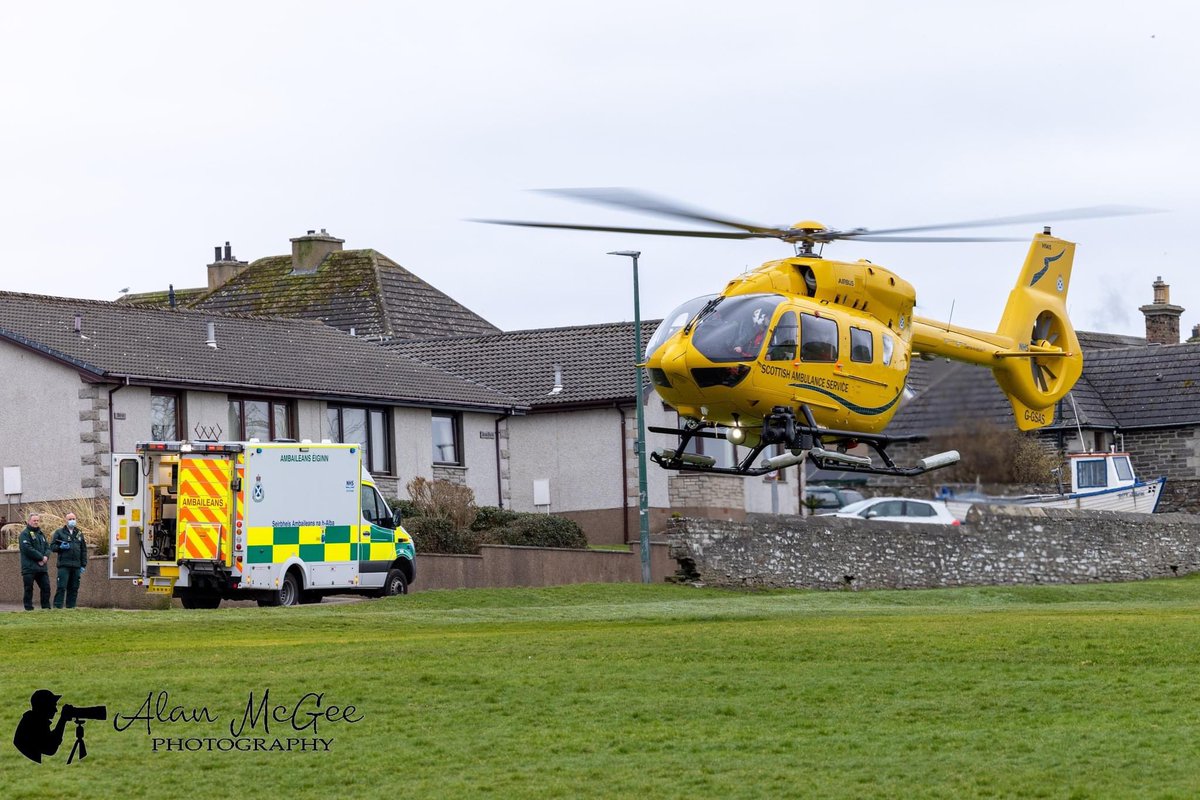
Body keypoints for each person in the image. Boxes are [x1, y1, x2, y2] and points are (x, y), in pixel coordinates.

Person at [13, 689, 69, 763]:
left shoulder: (33, 720)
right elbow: (50, 748)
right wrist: (62, 720)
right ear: (44, 707)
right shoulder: (35, 723)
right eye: (52, 705)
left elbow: (48, 741)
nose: (55, 710)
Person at [52, 512, 88, 609]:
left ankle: (71, 606)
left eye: (73, 519)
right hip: (64, 565)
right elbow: (52, 546)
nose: (72, 521)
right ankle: (58, 606)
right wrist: (60, 547)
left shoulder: (79, 533)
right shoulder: (59, 532)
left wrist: (83, 564)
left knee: (74, 587)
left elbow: (83, 549)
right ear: (65, 520)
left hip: (76, 565)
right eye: (70, 519)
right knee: (62, 586)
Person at [18, 513, 52, 611]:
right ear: (29, 521)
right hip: (29, 568)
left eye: (37, 520)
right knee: (28, 589)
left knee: (46, 588)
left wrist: (45, 557)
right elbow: (27, 549)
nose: (36, 522)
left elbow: (47, 547)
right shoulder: (24, 534)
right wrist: (41, 558)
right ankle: (28, 608)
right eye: (34, 520)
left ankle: (46, 608)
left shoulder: (41, 534)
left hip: (42, 568)